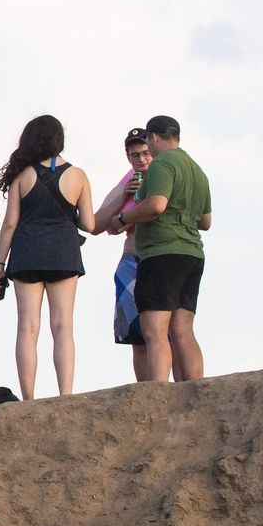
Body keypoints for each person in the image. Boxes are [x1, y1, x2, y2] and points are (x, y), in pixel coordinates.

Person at [0, 115, 96, 400]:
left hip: (26, 254)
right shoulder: (78, 176)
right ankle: (66, 395)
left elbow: (10, 223)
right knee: (63, 326)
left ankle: (29, 397)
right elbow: (89, 224)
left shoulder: (22, 177)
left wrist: (0, 264)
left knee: (27, 327)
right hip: (63, 253)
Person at [122, 115, 213, 383]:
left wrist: (125, 218)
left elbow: (157, 205)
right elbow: (205, 221)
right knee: (183, 328)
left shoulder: (162, 163)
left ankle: (158, 392)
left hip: (162, 253)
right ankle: (196, 389)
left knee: (154, 329)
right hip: (192, 252)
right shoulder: (197, 169)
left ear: (154, 137)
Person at [94, 126, 158, 380]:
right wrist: (124, 194)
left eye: (145, 153)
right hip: (131, 260)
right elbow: (98, 224)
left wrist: (124, 219)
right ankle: (144, 390)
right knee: (137, 336)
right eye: (134, 155)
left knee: (165, 333)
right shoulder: (128, 179)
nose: (141, 160)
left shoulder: (164, 174)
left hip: (158, 257)